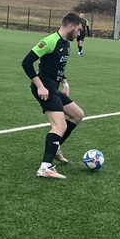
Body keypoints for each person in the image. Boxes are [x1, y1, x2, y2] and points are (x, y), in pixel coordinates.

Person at [21, 12, 85, 180]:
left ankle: (54, 147)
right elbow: (26, 62)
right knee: (59, 125)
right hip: (44, 87)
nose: (79, 34)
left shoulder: (66, 43)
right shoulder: (50, 41)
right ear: (70, 26)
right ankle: (45, 167)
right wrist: (40, 86)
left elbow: (57, 66)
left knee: (77, 114)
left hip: (53, 87)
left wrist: (65, 83)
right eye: (78, 30)